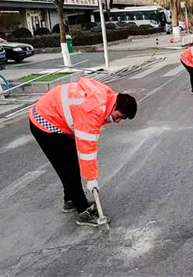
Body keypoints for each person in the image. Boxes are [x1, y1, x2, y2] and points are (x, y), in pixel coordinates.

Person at [29, 77, 137, 227]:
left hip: (52, 115)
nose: (117, 121)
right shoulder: (93, 111)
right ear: (115, 106)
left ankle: (70, 200)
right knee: (68, 168)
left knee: (71, 162)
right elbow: (87, 149)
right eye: (119, 116)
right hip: (45, 123)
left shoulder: (107, 97)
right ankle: (82, 211)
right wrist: (91, 179)